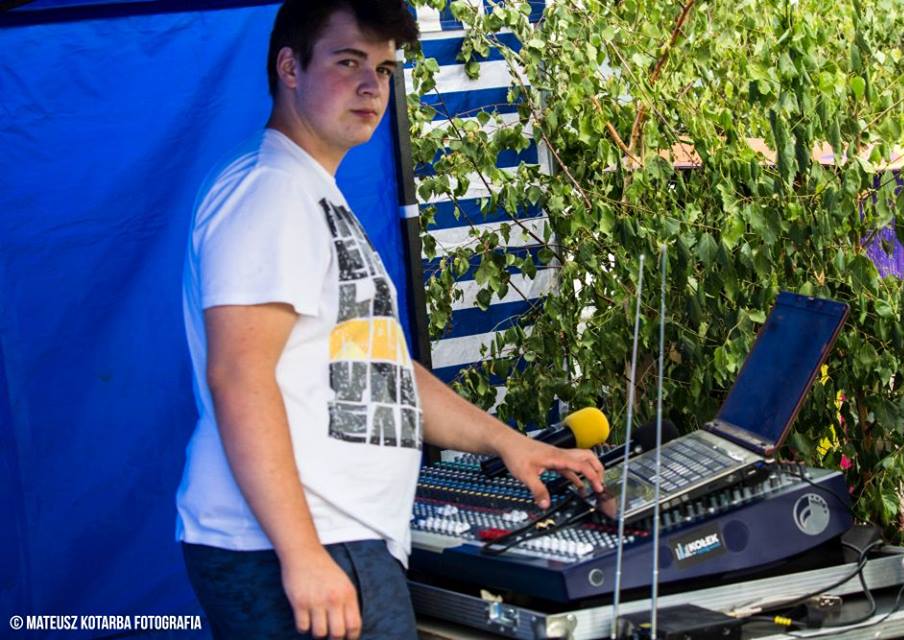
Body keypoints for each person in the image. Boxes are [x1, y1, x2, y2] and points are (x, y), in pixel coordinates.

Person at [175, 1, 605, 638]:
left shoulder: (306, 191)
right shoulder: (272, 192)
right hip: (300, 540)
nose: (371, 87)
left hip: (329, 537)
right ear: (289, 68)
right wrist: (302, 553)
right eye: (348, 62)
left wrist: (507, 442)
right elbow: (239, 376)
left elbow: (384, 372)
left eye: (382, 69)